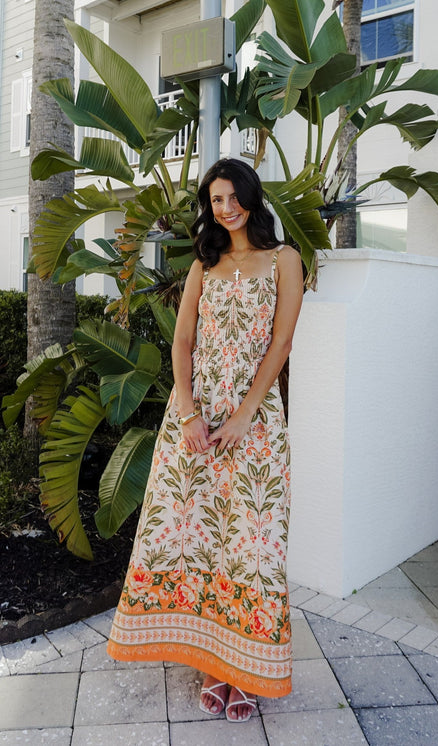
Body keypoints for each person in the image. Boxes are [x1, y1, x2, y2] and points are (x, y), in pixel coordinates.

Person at [107, 157, 304, 722]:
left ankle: (243, 668)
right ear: (209, 207)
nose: (226, 207)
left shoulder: (284, 260)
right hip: (193, 421)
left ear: (251, 196)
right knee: (195, 536)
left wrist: (243, 414)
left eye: (234, 195)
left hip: (255, 422)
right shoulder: (204, 262)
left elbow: (282, 343)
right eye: (216, 200)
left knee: (250, 542)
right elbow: (183, 343)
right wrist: (189, 413)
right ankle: (210, 662)